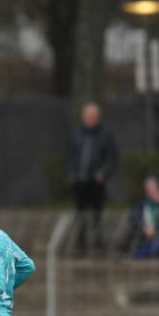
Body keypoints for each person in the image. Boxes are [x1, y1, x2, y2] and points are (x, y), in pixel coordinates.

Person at [66, 103, 118, 252]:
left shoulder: (105, 135)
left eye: (93, 117)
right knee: (80, 212)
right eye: (88, 116)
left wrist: (102, 173)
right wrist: (71, 173)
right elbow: (69, 156)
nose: (91, 119)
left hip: (96, 181)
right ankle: (80, 242)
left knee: (97, 212)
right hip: (79, 180)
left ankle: (98, 242)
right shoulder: (75, 135)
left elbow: (112, 158)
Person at [122, 176, 159, 259]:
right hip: (144, 234)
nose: (149, 191)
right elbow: (134, 216)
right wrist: (144, 226)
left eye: (151, 189)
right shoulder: (143, 203)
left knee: (157, 245)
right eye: (147, 189)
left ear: (158, 188)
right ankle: (133, 253)